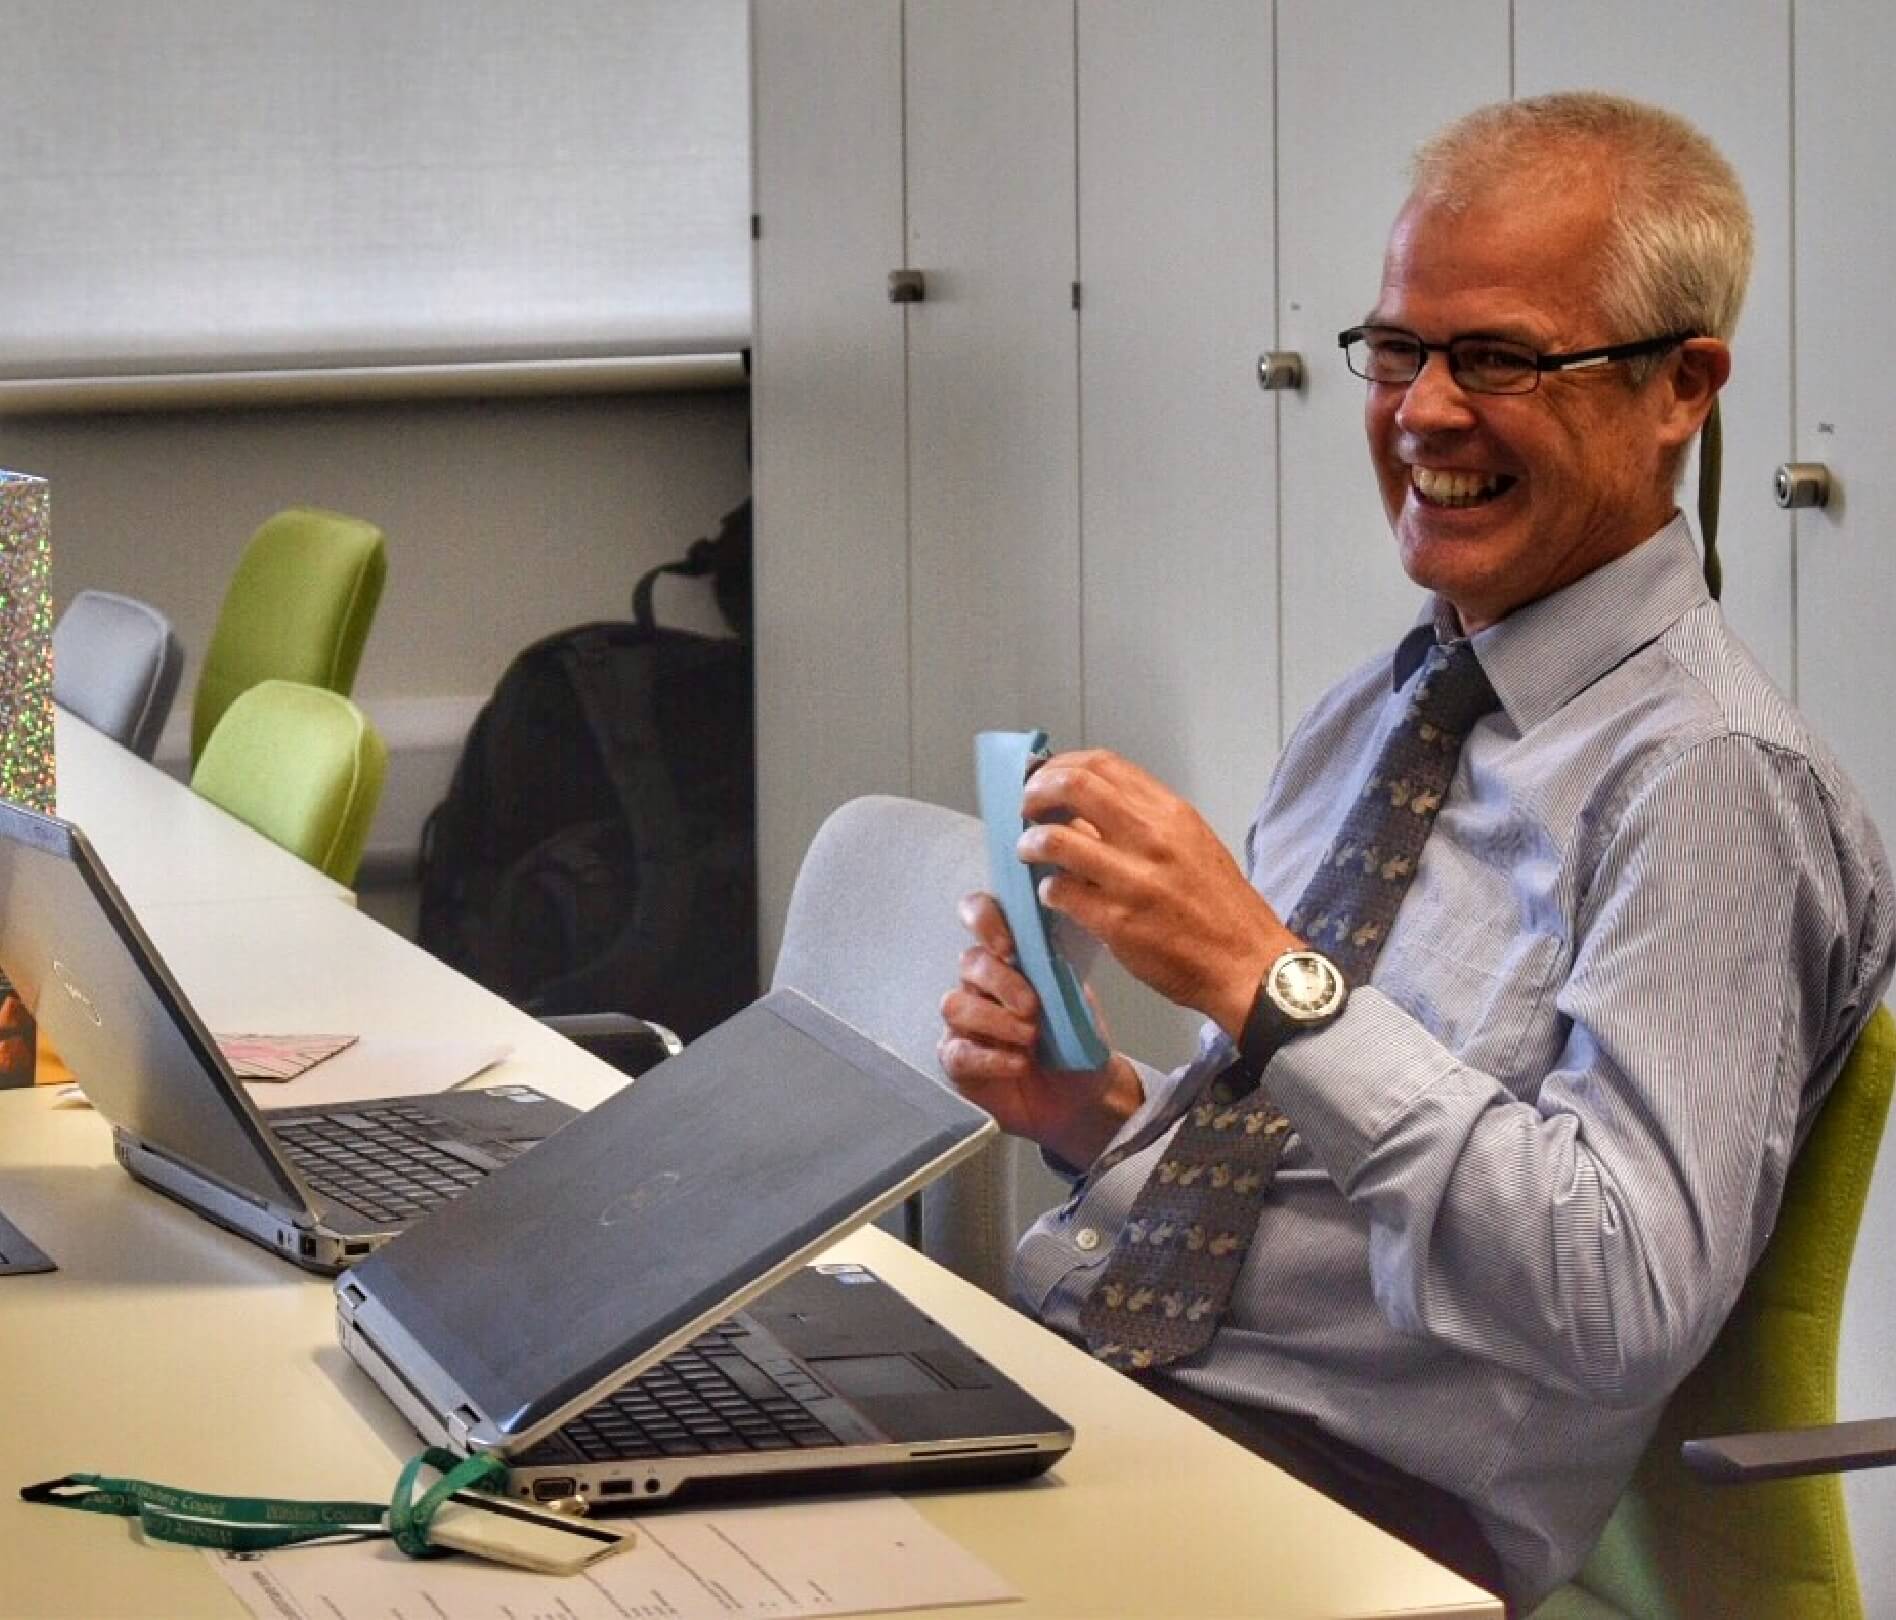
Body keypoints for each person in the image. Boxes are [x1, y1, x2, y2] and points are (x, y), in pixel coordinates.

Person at [938, 91, 1896, 1612]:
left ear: (1681, 388)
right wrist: (1104, 1115)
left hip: (1345, 1525)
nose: (1425, 412)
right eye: (1398, 350)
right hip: (1106, 1405)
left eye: (1501, 358)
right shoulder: (1387, 708)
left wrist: (1270, 979)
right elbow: (1308, 1197)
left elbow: (1621, 1297)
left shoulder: (1712, 784)